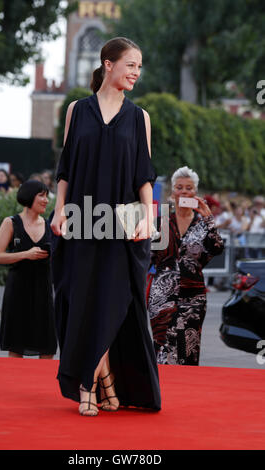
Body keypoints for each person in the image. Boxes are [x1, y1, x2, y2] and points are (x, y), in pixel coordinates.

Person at [50, 37, 161, 416]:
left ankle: (90, 383)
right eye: (131, 64)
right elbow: (65, 169)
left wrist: (148, 216)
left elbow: (144, 175)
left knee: (114, 304)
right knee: (83, 302)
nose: (136, 72)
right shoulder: (76, 112)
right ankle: (101, 380)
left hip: (123, 223)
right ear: (108, 64)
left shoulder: (140, 117)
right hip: (82, 219)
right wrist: (59, 209)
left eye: (140, 67)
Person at [147, 166, 224, 366]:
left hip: (193, 297)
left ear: (195, 193)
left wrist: (209, 219)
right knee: (162, 350)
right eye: (179, 187)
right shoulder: (160, 222)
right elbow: (145, 258)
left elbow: (217, 248)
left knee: (187, 351)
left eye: (188, 188)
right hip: (162, 297)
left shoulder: (201, 223)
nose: (183, 191)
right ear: (172, 192)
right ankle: (160, 394)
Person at [0, 180, 57, 359]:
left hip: (43, 289)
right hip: (18, 290)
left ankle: (42, 386)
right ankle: (13, 385)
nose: (46, 200)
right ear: (29, 197)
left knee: (47, 346)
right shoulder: (11, 223)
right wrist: (25, 254)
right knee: (16, 344)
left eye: (47, 196)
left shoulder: (49, 224)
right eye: (41, 195)